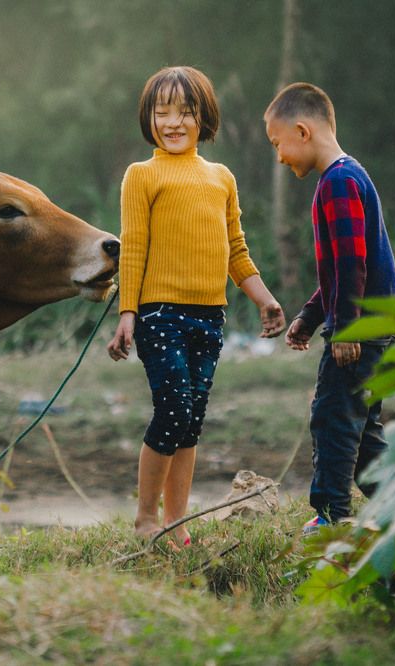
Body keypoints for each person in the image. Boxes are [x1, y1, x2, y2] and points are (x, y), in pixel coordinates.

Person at [107, 66, 286, 547]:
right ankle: (146, 519)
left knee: (191, 421)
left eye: (185, 112)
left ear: (203, 118)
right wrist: (127, 313)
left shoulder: (220, 177)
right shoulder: (142, 175)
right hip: (159, 313)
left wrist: (265, 299)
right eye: (162, 112)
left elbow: (236, 250)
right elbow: (134, 247)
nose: (173, 122)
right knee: (173, 410)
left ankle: (177, 522)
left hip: (210, 316)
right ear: (148, 118)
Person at [264, 82, 395, 536]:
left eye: (277, 143)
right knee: (362, 426)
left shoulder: (338, 183)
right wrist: (310, 316)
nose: (279, 157)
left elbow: (350, 264)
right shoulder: (347, 176)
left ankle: (331, 515)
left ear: (302, 131)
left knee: (333, 418)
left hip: (362, 328)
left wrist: (344, 330)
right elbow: (342, 271)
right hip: (377, 323)